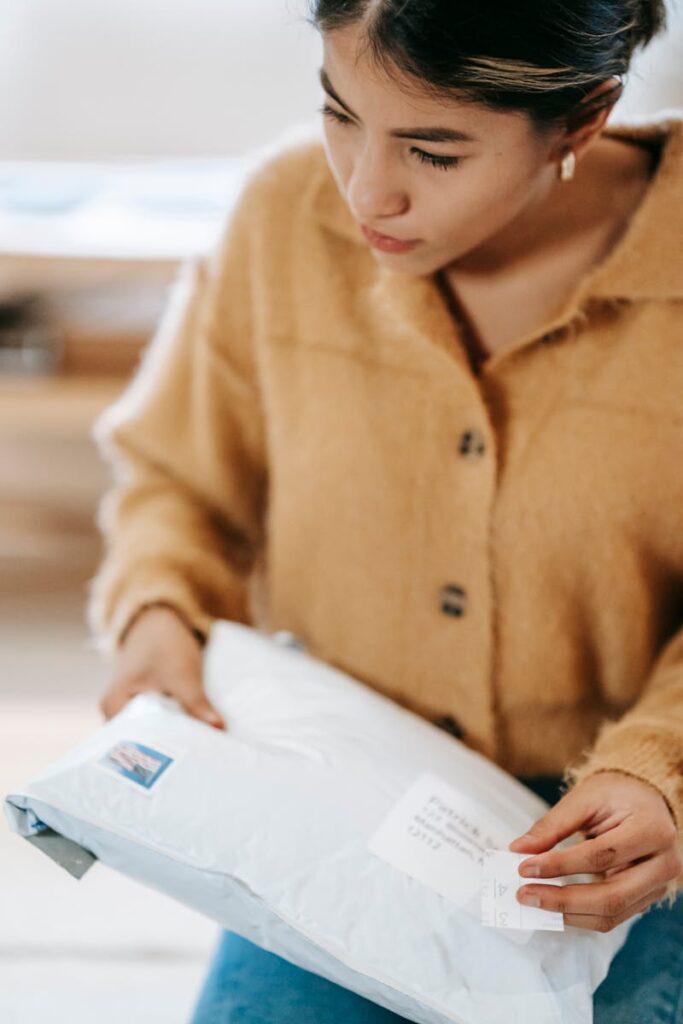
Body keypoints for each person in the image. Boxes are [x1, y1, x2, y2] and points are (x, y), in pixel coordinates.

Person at [86, 0, 683, 1020]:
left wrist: (658, 775)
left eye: (434, 152)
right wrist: (157, 614)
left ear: (581, 119)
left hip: (617, 828)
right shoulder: (282, 216)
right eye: (336, 112)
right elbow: (177, 480)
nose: (366, 188)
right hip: (338, 798)